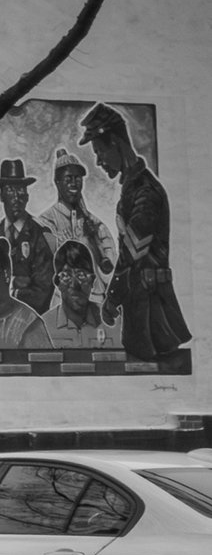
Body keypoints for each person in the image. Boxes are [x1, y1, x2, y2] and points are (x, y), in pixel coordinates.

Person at [80, 103, 193, 363]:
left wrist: (111, 300)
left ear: (116, 144)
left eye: (99, 151)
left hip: (153, 314)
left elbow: (131, 255)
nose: (98, 161)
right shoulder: (132, 190)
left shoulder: (145, 192)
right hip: (143, 306)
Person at [34, 146, 117, 305]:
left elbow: (109, 269)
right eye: (68, 178)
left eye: (78, 178)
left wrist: (94, 241)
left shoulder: (96, 224)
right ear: (57, 182)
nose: (74, 183)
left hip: (95, 301)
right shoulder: (45, 222)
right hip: (61, 303)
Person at [0, 158, 57, 316]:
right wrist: (16, 282)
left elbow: (42, 291)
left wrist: (7, 291)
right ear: (1, 196)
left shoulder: (41, 234)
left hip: (31, 319)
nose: (16, 196)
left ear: (27, 196)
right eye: (10, 190)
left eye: (21, 190)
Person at [39, 240, 111, 348]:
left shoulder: (109, 321)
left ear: (92, 280)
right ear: (57, 282)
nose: (74, 284)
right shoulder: (43, 327)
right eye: (66, 276)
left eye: (81, 275)